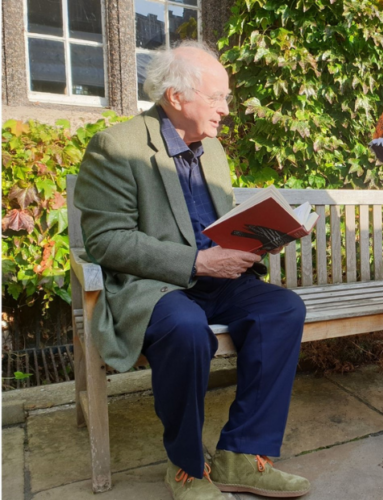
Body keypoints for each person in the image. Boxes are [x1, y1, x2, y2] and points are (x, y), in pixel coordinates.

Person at [75, 41, 311, 499]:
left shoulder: (214, 151)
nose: (226, 109)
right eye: (217, 97)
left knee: (282, 310)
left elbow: (215, 227)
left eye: (226, 98)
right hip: (156, 288)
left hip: (219, 279)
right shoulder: (116, 146)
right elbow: (105, 240)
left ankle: (241, 456)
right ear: (176, 96)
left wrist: (261, 239)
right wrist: (197, 261)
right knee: (186, 328)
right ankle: (186, 467)